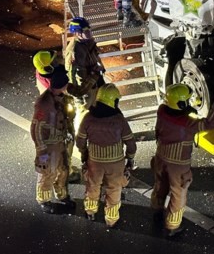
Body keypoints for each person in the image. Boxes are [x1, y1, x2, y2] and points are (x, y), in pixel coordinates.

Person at [151, 83, 214, 237]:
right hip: (178, 166)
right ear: (181, 104)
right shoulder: (188, 124)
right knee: (178, 195)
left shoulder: (162, 111)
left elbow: (173, 117)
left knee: (160, 186)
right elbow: (210, 123)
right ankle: (172, 227)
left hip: (160, 157)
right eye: (186, 101)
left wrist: (185, 110)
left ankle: (156, 211)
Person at [76, 83, 136, 228]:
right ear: (113, 101)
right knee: (114, 189)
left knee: (92, 186)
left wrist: (84, 153)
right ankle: (111, 218)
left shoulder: (88, 118)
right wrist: (130, 158)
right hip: (115, 164)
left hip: (94, 162)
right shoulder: (119, 120)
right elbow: (131, 143)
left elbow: (80, 141)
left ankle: (90, 211)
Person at [30, 66, 77, 214]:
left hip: (61, 142)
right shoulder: (44, 103)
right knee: (47, 172)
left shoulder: (63, 99)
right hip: (48, 145)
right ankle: (43, 199)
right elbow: (36, 128)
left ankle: (62, 194)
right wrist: (41, 149)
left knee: (63, 169)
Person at [32, 50, 82, 183]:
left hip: (54, 128)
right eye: (55, 61)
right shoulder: (54, 86)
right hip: (59, 126)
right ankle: (66, 174)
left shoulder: (44, 76)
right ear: (49, 67)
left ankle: (58, 176)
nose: (58, 60)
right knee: (65, 148)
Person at [64, 17, 105, 108]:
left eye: (89, 29)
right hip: (87, 88)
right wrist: (79, 96)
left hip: (95, 80)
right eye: (86, 30)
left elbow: (95, 56)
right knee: (90, 112)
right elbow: (73, 74)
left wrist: (101, 68)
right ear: (77, 33)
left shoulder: (87, 42)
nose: (89, 32)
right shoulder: (75, 51)